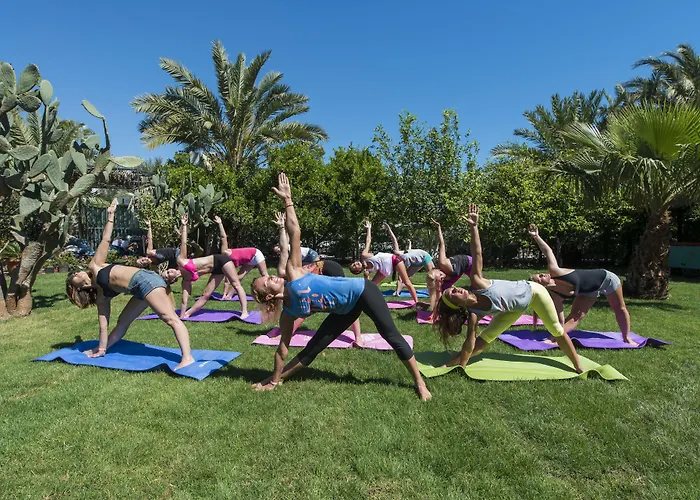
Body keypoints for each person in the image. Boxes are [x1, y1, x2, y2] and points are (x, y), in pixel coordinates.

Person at [251, 173, 432, 400]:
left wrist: (288, 201)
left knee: (390, 334)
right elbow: (282, 349)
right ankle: (277, 380)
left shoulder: (294, 272)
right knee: (313, 348)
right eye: (267, 282)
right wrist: (273, 380)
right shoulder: (288, 314)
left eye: (268, 277)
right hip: (344, 310)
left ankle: (419, 382)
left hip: (362, 291)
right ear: (269, 296)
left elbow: (295, 231)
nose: (272, 277)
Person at [433, 205, 584, 373]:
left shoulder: (477, 282)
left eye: (453, 288)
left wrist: (474, 227)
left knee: (556, 330)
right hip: (513, 310)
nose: (456, 289)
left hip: (534, 293)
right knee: (484, 340)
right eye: (453, 293)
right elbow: (470, 342)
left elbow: (477, 254)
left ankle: (578, 365)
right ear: (458, 305)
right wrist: (463, 363)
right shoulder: (474, 314)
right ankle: (454, 363)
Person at [65, 200, 194, 370]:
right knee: (122, 322)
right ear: (78, 289)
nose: (75, 273)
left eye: (74, 272)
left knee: (170, 319)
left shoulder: (95, 266)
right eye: (72, 278)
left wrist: (110, 215)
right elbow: (103, 325)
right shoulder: (102, 297)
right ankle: (102, 349)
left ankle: (187, 358)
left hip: (146, 281)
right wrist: (100, 348)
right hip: (139, 290)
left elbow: (106, 239)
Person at [528, 224, 635, 345]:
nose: (543, 274)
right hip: (588, 290)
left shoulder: (556, 272)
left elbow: (548, 251)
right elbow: (560, 321)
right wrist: (557, 335)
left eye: (540, 273)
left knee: (620, 308)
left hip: (607, 280)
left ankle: (627, 337)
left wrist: (536, 236)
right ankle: (555, 339)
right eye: (540, 277)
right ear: (542, 286)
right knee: (575, 316)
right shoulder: (555, 296)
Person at [274, 212, 363, 347]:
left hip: (329, 269)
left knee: (347, 303)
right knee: (309, 304)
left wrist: (282, 228)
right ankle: (358, 338)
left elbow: (285, 248)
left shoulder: (288, 277)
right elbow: (284, 249)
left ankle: (359, 338)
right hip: (326, 267)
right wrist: (281, 227)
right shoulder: (284, 273)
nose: (274, 279)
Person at [169, 214, 251, 319]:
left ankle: (244, 311)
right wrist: (182, 315)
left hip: (220, 260)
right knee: (205, 295)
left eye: (167, 271)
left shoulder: (180, 261)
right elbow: (184, 300)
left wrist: (184, 225)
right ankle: (187, 314)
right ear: (173, 280)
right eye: (168, 274)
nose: (169, 270)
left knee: (236, 284)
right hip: (215, 270)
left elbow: (184, 243)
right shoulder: (186, 281)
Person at [348, 221, 420, 304]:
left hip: (395, 260)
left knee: (406, 282)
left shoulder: (364, 255)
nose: (355, 264)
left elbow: (368, 241)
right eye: (354, 266)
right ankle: (366, 302)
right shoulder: (366, 272)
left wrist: (368, 229)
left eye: (354, 263)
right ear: (358, 271)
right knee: (370, 287)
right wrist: (367, 276)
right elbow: (367, 284)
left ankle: (417, 302)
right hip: (385, 270)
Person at [425, 219, 473, 322]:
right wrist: (433, 316)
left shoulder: (443, 263)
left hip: (469, 263)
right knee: (445, 295)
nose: (442, 276)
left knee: (477, 286)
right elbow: (438, 299)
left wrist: (439, 227)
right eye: (440, 279)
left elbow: (442, 243)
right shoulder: (440, 284)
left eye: (440, 273)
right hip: (457, 273)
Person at [220, 218, 269, 299]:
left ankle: (273, 292)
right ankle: (229, 295)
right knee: (238, 277)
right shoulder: (227, 257)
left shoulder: (231, 258)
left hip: (256, 254)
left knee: (264, 275)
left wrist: (220, 223)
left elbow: (223, 237)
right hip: (249, 259)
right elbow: (227, 279)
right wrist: (224, 294)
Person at [383, 222, 434, 296]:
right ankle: (398, 291)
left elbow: (400, 276)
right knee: (404, 277)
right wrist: (389, 229)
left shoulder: (402, 257)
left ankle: (434, 291)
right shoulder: (399, 253)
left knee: (431, 276)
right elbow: (394, 240)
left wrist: (389, 228)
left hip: (425, 257)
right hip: (416, 262)